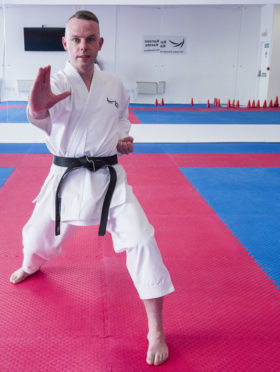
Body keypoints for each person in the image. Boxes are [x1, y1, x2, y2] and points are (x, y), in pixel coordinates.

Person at [10, 10, 174, 366]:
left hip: (109, 179)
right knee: (37, 237)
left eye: (90, 39)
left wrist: (123, 140)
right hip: (65, 179)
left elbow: (119, 121)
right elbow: (38, 114)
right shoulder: (53, 81)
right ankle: (30, 264)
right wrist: (38, 105)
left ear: (100, 43)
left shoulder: (114, 84)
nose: (83, 46)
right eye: (76, 39)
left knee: (143, 240)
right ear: (65, 43)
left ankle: (156, 328)